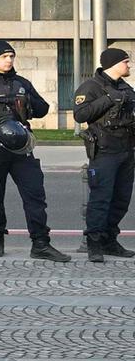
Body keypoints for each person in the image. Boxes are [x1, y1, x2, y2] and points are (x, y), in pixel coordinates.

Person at [0, 40, 70, 262]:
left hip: (20, 150)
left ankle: (40, 244)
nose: (9, 60)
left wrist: (28, 102)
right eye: (4, 57)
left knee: (35, 195)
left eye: (11, 56)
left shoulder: (21, 82)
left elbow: (43, 108)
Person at [74, 46, 135, 263]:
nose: (129, 65)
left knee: (121, 200)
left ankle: (110, 240)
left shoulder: (126, 87)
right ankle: (95, 243)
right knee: (100, 199)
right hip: (105, 151)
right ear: (114, 64)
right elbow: (80, 114)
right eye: (126, 62)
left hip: (127, 150)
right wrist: (109, 99)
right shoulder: (92, 86)